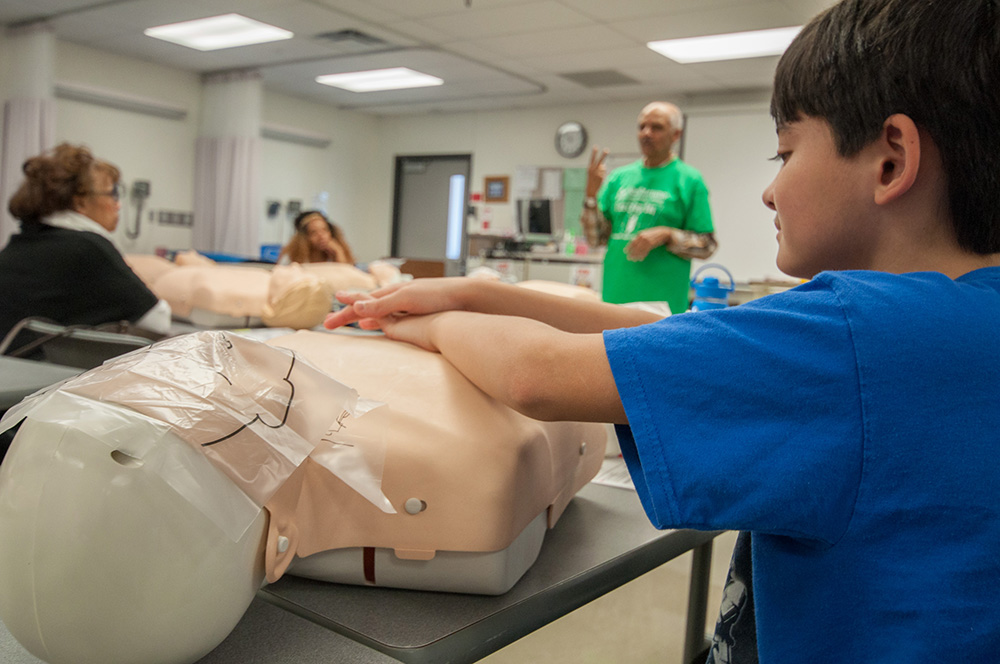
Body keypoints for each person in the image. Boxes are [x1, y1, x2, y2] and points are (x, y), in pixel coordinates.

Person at [323, 0, 1000, 660]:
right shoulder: (954, 322)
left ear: (890, 160)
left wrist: (436, 323)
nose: (769, 191)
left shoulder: (859, 334)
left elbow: (537, 374)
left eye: (784, 154)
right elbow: (666, 330)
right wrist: (480, 290)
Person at [0, 143, 170, 354]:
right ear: (80, 203)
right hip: (47, 375)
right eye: (112, 194)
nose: (118, 205)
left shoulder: (20, 242)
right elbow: (158, 320)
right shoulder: (89, 247)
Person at [581, 101, 718, 314]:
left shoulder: (690, 180)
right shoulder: (619, 178)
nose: (646, 133)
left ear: (676, 135)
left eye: (657, 127)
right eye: (642, 127)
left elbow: (707, 245)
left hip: (662, 308)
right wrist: (590, 196)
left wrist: (667, 234)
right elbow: (596, 239)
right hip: (614, 301)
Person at [277, 209, 355, 265]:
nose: (321, 236)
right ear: (305, 237)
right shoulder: (292, 256)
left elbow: (347, 277)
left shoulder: (333, 253)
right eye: (314, 232)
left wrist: (339, 252)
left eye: (325, 230)